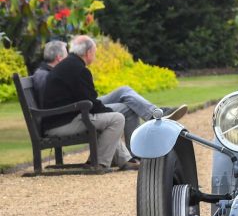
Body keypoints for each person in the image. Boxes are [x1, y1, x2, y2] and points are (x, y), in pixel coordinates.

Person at [32, 40, 187, 144]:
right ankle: (137, 150)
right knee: (127, 108)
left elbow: (79, 96)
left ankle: (154, 112)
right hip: (73, 112)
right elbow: (78, 101)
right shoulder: (63, 71)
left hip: (78, 106)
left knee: (124, 91)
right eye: (94, 52)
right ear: (88, 53)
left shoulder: (63, 68)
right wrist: (105, 112)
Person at [41, 36, 137, 170]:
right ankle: (99, 163)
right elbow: (90, 103)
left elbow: (87, 101)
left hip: (60, 119)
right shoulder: (79, 70)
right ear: (88, 53)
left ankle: (124, 160)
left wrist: (106, 111)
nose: (95, 55)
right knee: (117, 119)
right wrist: (110, 112)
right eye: (95, 52)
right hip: (61, 124)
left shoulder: (69, 65)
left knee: (110, 118)